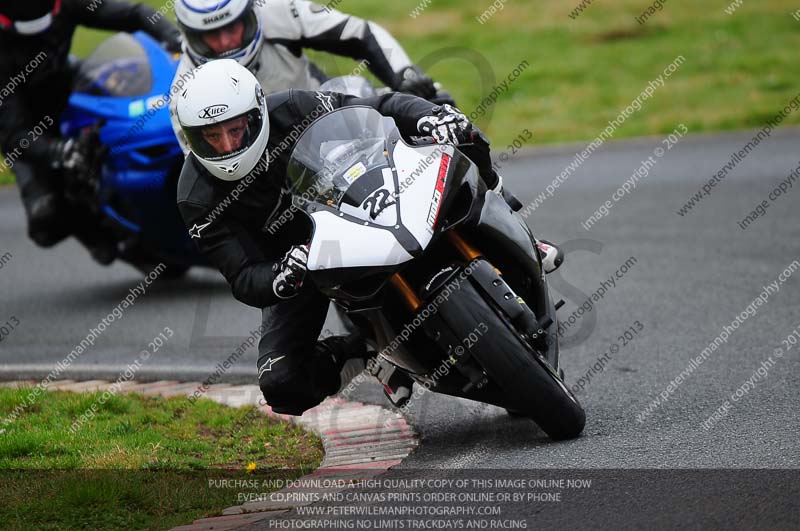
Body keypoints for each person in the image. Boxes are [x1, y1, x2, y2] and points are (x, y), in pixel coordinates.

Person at [174, 60, 562, 416]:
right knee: (281, 384)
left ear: (257, 113)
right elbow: (242, 276)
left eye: (236, 130)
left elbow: (376, 107)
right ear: (193, 138)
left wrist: (429, 118)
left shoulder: (290, 107)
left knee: (460, 130)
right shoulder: (195, 197)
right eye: (212, 137)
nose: (227, 146)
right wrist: (280, 275)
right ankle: (367, 351)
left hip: (351, 203)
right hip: (301, 263)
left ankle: (516, 221)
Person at [0, 0, 181, 259]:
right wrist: (61, 152)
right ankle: (100, 234)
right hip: (26, 128)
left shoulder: (66, 4)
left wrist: (173, 37)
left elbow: (134, 14)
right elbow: (13, 136)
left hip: (66, 85)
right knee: (45, 219)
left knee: (121, 76)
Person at [168, 0, 442, 154]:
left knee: (434, 102)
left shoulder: (281, 11)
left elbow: (361, 35)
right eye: (211, 34)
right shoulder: (183, 98)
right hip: (274, 175)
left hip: (335, 121)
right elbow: (211, 171)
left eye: (233, 27)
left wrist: (405, 76)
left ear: (251, 13)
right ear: (189, 34)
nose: (226, 41)